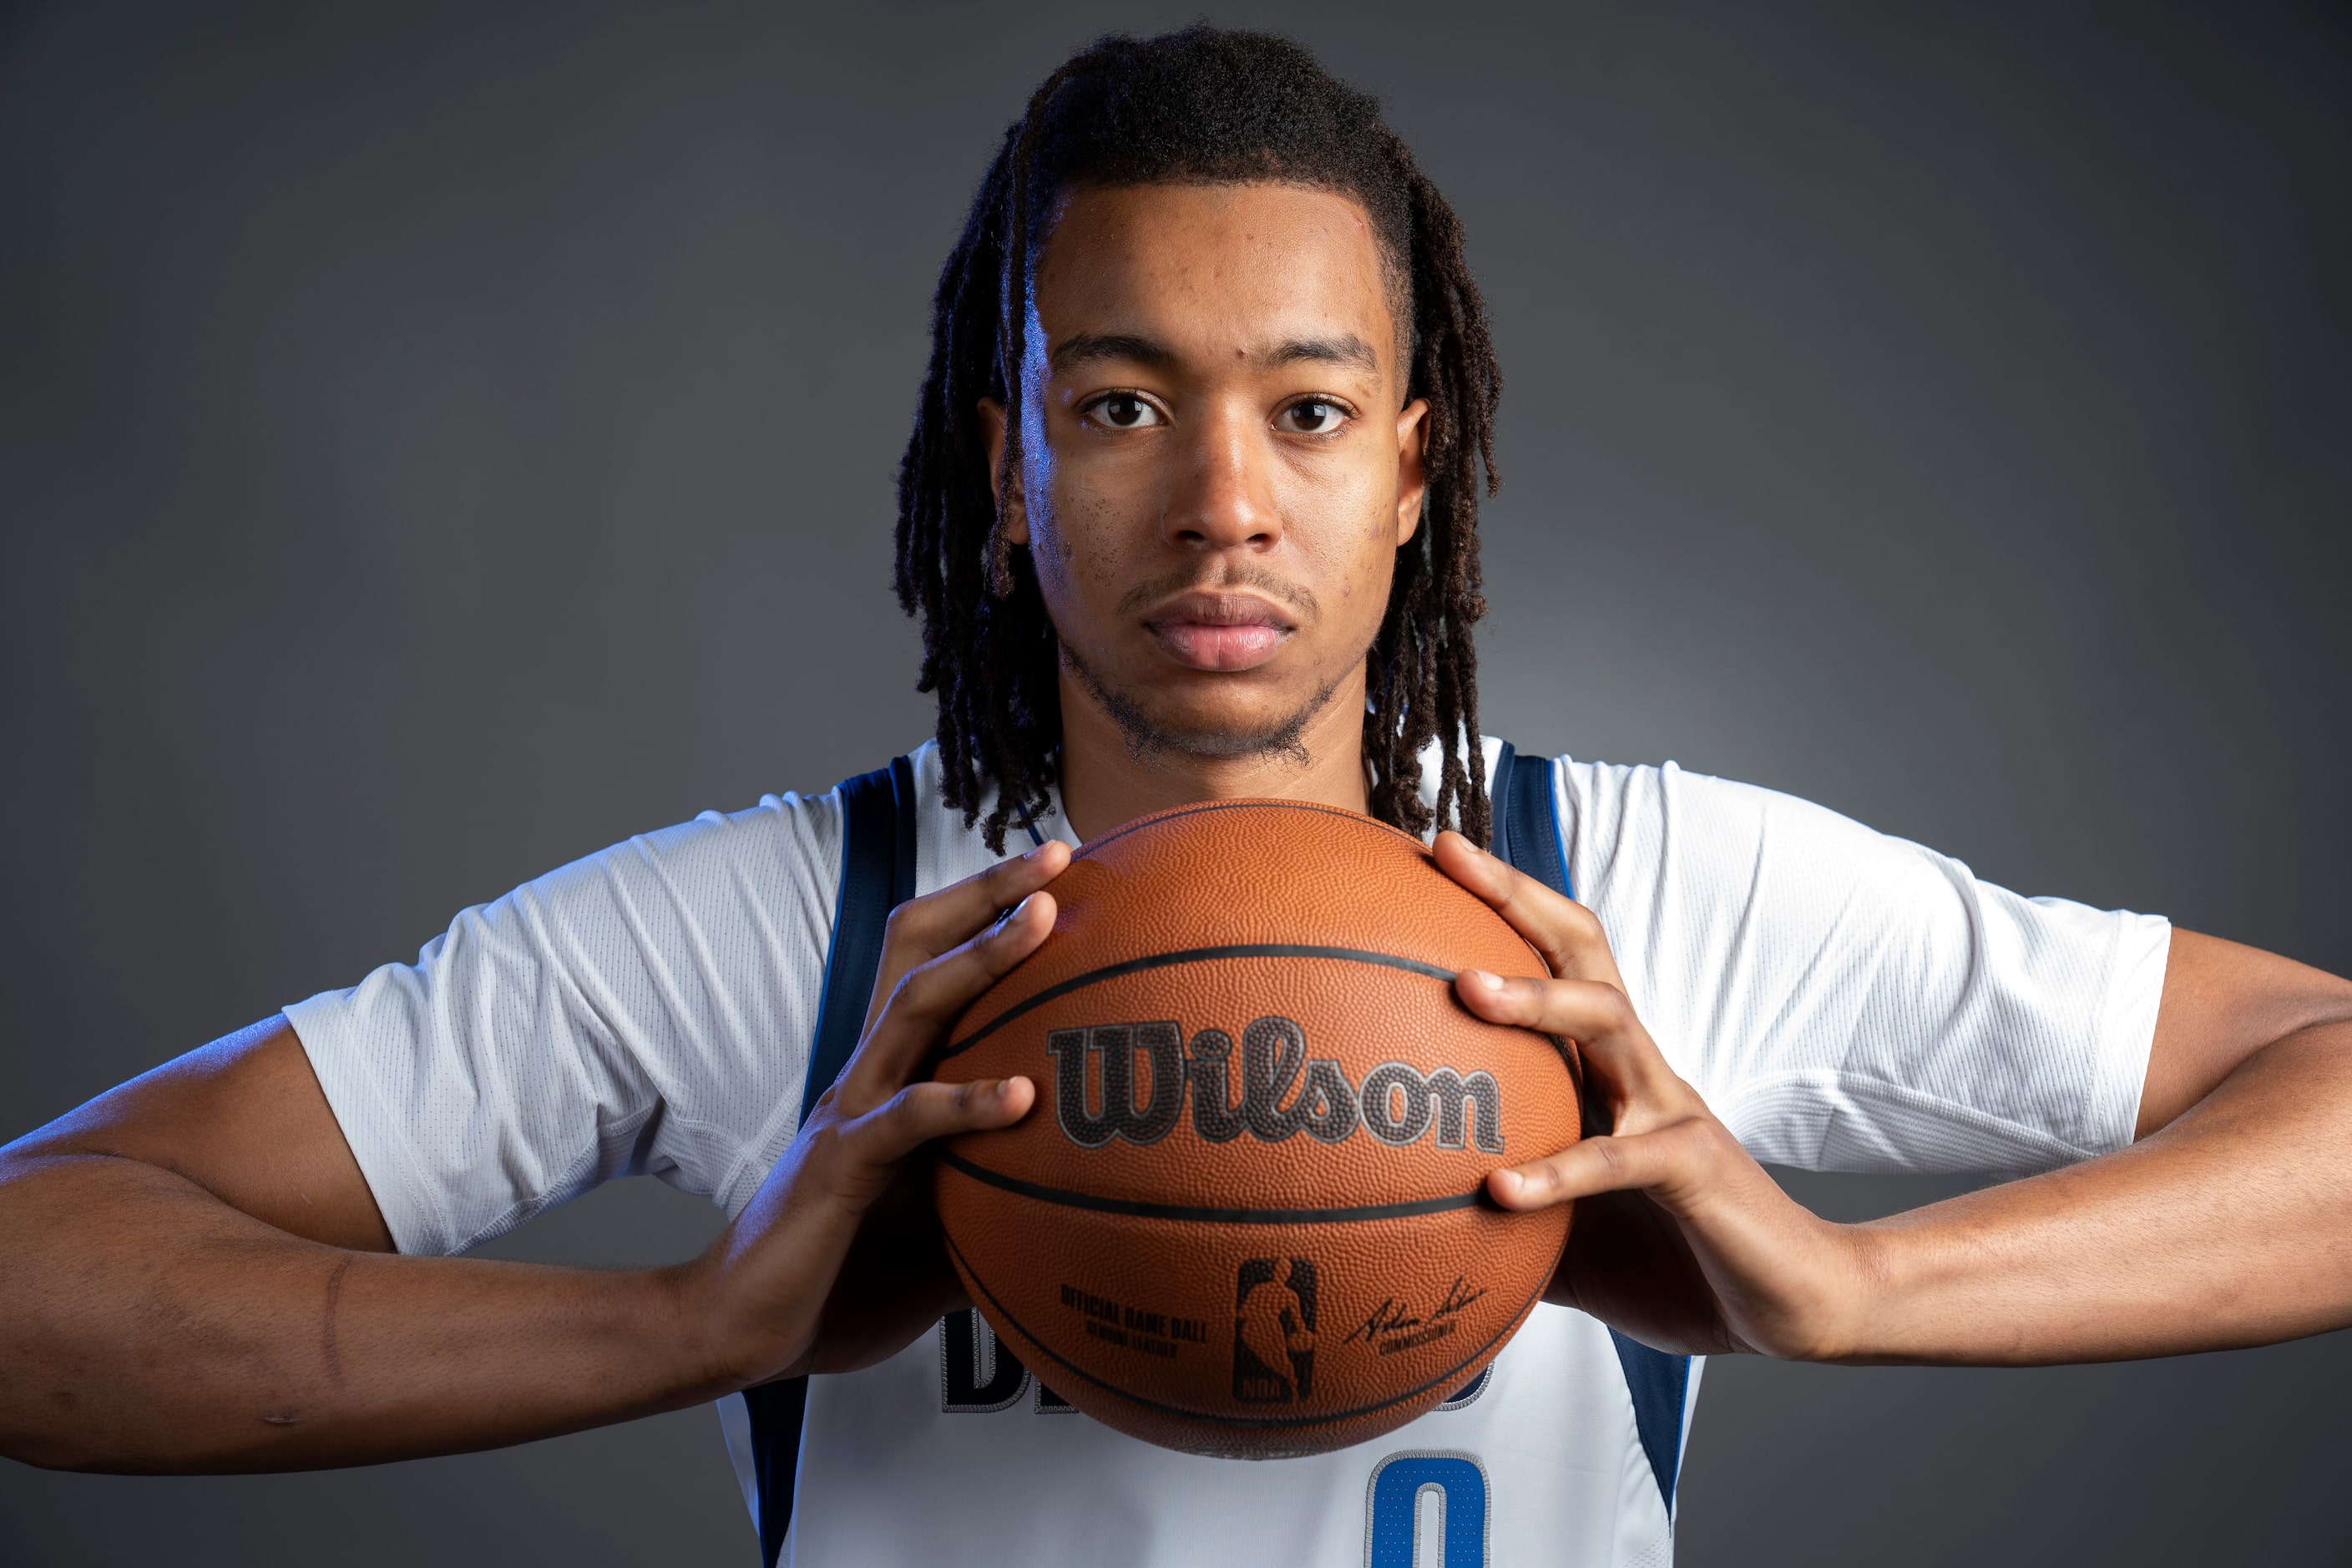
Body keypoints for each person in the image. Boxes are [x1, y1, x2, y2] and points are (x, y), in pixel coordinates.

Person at [1, 24, 2346, 1568]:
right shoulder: (778, 935)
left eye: (1307, 412)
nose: (1222, 498)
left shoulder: (1637, 895)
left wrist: (1839, 1290)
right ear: (1003, 470)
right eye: (1118, 404)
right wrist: (689, 1327)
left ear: (1414, 473)